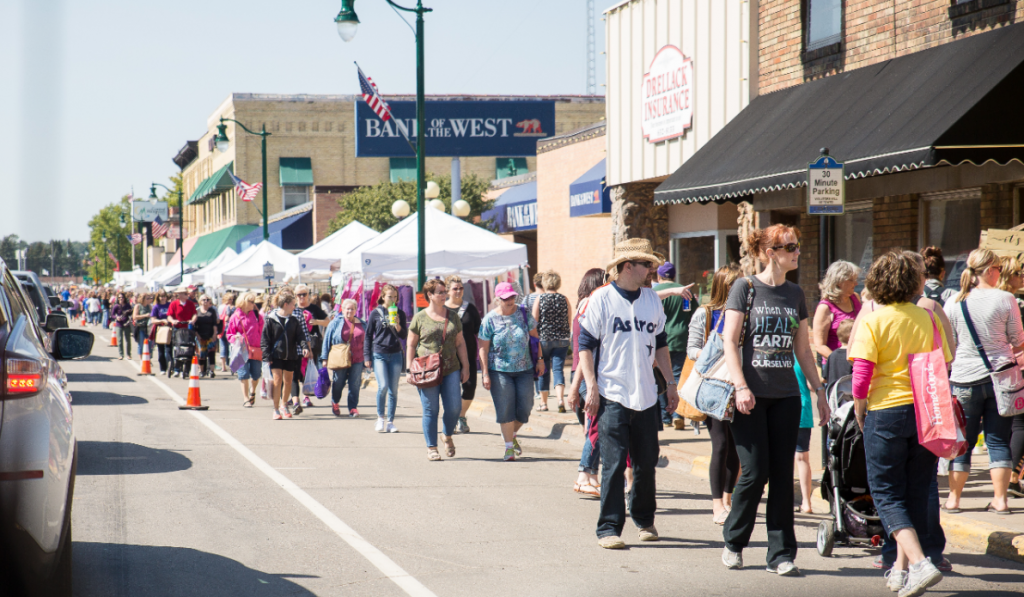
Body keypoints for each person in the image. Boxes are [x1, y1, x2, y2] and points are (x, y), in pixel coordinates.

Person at [720, 224, 827, 576]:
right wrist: (740, 386)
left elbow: (803, 349)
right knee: (753, 472)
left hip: (786, 396)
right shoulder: (744, 287)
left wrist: (819, 391)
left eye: (797, 245)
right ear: (770, 252)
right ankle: (734, 543)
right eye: (790, 246)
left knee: (783, 476)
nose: (797, 252)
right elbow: (730, 341)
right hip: (749, 396)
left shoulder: (795, 293)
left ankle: (781, 554)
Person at [851, 251, 952, 595]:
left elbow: (861, 374)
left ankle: (920, 564)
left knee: (885, 493)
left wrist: (859, 408)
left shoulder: (874, 320)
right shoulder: (927, 316)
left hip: (886, 410)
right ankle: (900, 569)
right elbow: (943, 360)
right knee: (914, 492)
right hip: (925, 412)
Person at [577, 238, 678, 549]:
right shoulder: (602, 299)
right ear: (626, 266)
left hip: (646, 394)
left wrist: (670, 384)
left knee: (647, 463)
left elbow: (661, 344)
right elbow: (584, 346)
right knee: (614, 462)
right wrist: (590, 386)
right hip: (611, 393)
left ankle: (645, 520)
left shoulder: (652, 300)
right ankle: (608, 528)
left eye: (651, 264)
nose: (651, 269)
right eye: (645, 264)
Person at [942, 248, 1024, 515]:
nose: (1000, 273)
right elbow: (1017, 340)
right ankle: (1000, 500)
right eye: (999, 269)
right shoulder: (1006, 299)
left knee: (962, 441)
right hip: (1002, 379)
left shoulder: (953, 302)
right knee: (998, 440)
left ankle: (954, 500)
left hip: (964, 378)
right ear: (990, 270)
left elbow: (948, 344)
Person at [686, 264, 742, 525]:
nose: (740, 289)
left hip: (740, 385)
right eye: (734, 284)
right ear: (722, 286)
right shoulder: (705, 313)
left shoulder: (745, 312)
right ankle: (716, 504)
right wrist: (717, 352)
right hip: (715, 385)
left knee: (736, 448)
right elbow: (692, 350)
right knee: (720, 445)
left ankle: (728, 498)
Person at [479, 282, 545, 461]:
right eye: (506, 298)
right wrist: (485, 373)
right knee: (505, 408)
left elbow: (535, 338)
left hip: (524, 369)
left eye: (512, 297)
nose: (510, 301)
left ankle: (511, 434)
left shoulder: (523, 314)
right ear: (497, 299)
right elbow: (483, 348)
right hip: (499, 370)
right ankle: (509, 447)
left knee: (525, 408)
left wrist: (540, 360)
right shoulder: (489, 319)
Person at [407, 279, 471, 461]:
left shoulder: (453, 316)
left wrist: (466, 366)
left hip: (451, 368)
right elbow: (411, 344)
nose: (444, 295)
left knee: (454, 408)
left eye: (445, 292)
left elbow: (460, 343)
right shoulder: (419, 317)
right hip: (426, 370)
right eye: (440, 292)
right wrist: (409, 368)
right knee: (430, 409)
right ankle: (432, 447)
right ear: (430, 295)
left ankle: (447, 434)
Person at [568, 268, 608, 497]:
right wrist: (576, 388)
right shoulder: (590, 304)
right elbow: (587, 350)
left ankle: (591, 476)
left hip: (582, 373)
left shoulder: (583, 304)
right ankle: (584, 475)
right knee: (597, 429)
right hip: (585, 373)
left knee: (593, 429)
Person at [653, 261, 696, 430]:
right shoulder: (685, 290)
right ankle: (678, 413)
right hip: (681, 338)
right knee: (675, 376)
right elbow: (694, 313)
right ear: (674, 275)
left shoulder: (654, 292)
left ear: (658, 276)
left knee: (659, 374)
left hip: (660, 338)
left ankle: (665, 416)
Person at [997, 256, 1024, 497]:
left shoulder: (991, 300)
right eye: (1018, 273)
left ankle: (1010, 477)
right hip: (1018, 366)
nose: (1022, 277)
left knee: (1007, 426)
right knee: (1020, 424)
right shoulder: (1014, 302)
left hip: (1000, 367)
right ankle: (1011, 477)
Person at [363, 284, 407, 432]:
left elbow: (404, 336)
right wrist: (367, 356)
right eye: (390, 296)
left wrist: (398, 325)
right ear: (383, 297)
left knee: (393, 390)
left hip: (395, 354)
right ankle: (380, 418)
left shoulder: (399, 312)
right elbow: (368, 335)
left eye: (395, 297)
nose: (393, 299)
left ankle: (390, 422)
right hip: (379, 353)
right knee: (383, 386)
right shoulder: (375, 313)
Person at [261, 290, 310, 420]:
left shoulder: (294, 320)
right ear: (286, 304)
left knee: (288, 381)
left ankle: (284, 405)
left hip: (291, 355)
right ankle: (276, 409)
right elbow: (265, 339)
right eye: (293, 304)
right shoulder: (271, 319)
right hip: (276, 355)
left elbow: (301, 336)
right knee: (277, 381)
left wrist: (304, 347)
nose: (295, 307)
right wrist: (266, 356)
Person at [531, 271, 571, 413]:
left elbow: (533, 322)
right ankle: (560, 400)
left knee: (543, 370)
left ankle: (543, 403)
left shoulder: (540, 299)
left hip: (544, 340)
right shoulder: (564, 299)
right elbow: (568, 321)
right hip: (561, 340)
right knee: (558, 370)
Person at [446, 276, 481, 434]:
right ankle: (451, 418)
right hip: (448, 358)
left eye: (461, 288)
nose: (458, 291)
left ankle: (461, 415)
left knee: (470, 387)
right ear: (448, 291)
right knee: (451, 390)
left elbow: (479, 332)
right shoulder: (442, 309)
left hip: (469, 356)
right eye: (455, 288)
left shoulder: (470, 309)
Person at [812, 260, 862, 367]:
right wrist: (842, 362)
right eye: (852, 280)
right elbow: (820, 346)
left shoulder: (855, 298)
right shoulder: (825, 308)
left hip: (858, 362)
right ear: (839, 282)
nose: (856, 283)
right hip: (837, 365)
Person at [322, 298, 365, 418]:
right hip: (340, 357)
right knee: (338, 382)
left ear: (356, 310)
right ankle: (335, 401)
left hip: (357, 358)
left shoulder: (362, 324)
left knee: (355, 384)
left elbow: (368, 342)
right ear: (343, 309)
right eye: (347, 309)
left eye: (352, 309)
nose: (350, 311)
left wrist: (368, 358)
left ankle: (353, 408)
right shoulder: (335, 323)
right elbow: (327, 340)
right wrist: (324, 358)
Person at [226, 292, 264, 407]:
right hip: (241, 350)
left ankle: (252, 391)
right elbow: (229, 334)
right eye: (251, 302)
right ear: (243, 302)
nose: (253, 304)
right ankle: (246, 398)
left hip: (256, 349)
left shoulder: (257, 315)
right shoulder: (235, 316)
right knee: (243, 374)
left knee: (256, 375)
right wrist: (235, 337)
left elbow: (262, 332)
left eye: (254, 302)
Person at [793, 359, 815, 515]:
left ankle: (784, 500)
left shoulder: (778, 354)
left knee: (782, 459)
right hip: (803, 409)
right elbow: (811, 385)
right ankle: (806, 503)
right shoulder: (802, 357)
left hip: (781, 410)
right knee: (802, 458)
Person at [166, 286, 197, 378]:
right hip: (178, 328)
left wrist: (192, 320)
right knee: (177, 347)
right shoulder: (174, 304)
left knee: (189, 347)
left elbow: (195, 314)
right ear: (179, 295)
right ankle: (176, 369)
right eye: (184, 293)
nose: (187, 295)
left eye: (186, 293)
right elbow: (169, 316)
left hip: (188, 328)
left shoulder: (190, 304)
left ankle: (187, 369)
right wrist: (173, 321)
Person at [823, 319, 854, 395]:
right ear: (850, 337)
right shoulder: (853, 356)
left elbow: (824, 379)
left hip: (834, 398)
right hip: (849, 398)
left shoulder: (832, 355)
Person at [192, 295, 220, 378]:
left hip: (210, 335)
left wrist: (215, 334)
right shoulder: (197, 311)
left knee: (211, 353)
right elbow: (195, 325)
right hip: (200, 335)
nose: (206, 301)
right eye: (204, 299)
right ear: (200, 301)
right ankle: (202, 371)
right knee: (201, 354)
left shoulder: (212, 311)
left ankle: (211, 371)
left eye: (207, 300)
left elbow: (215, 324)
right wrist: (197, 335)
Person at [149, 290, 172, 374]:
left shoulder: (170, 305)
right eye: (161, 296)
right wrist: (162, 320)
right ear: (158, 297)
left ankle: (170, 366)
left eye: (164, 296)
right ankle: (162, 368)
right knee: (161, 350)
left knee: (169, 350)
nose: (163, 298)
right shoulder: (156, 307)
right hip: (160, 329)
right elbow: (153, 320)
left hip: (169, 329)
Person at [110, 292, 133, 360]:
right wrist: (116, 317)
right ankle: (121, 354)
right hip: (119, 324)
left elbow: (131, 313)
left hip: (126, 324)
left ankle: (128, 354)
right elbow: (112, 314)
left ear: (124, 298)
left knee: (128, 340)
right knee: (120, 340)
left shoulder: (127, 305)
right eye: (119, 297)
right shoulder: (116, 306)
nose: (121, 299)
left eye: (122, 297)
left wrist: (130, 312)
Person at [217, 293, 237, 373]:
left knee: (223, 347)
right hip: (229, 329)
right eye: (230, 299)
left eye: (232, 299)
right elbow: (226, 318)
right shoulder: (229, 307)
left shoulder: (220, 307)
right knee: (230, 347)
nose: (231, 301)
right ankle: (231, 366)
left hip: (221, 329)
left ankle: (223, 366)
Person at [132, 293, 152, 359]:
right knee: (141, 344)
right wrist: (145, 315)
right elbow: (134, 317)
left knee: (150, 344)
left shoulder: (149, 306)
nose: (149, 300)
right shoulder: (138, 306)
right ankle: (141, 359)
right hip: (141, 327)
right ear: (143, 299)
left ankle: (148, 359)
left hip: (148, 328)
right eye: (147, 298)